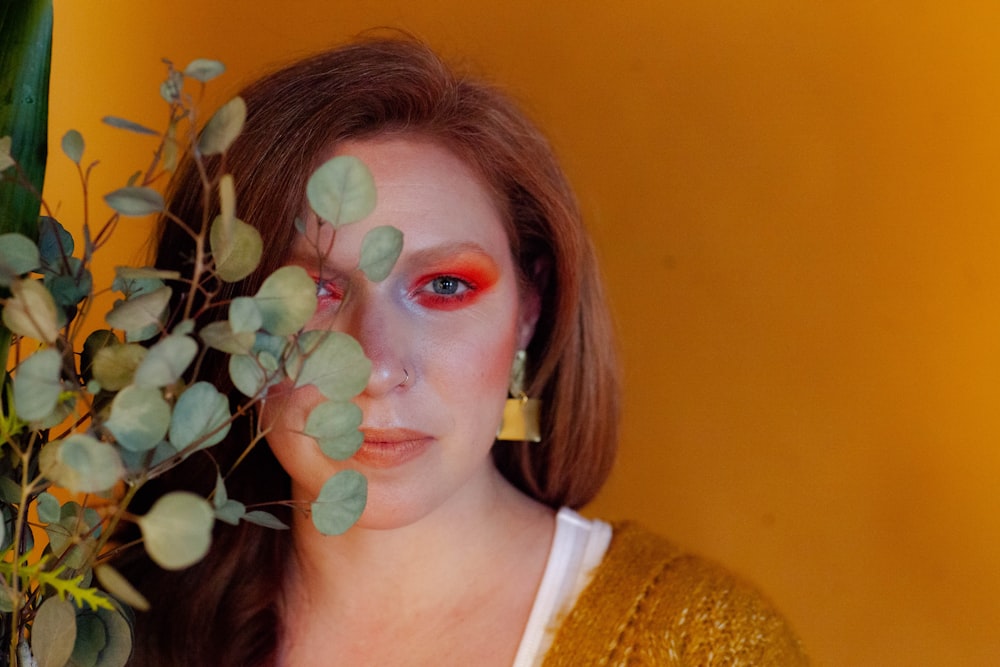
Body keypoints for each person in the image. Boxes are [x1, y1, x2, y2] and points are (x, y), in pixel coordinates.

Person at [120, 37, 808, 666]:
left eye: (444, 285)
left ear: (528, 309)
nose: (379, 366)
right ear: (221, 320)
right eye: (311, 291)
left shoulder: (698, 644)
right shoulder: (113, 626)